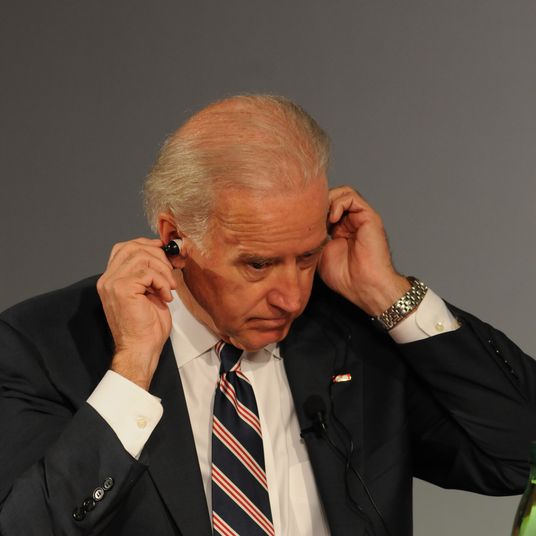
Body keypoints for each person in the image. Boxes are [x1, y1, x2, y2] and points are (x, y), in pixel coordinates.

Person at [0, 95, 534, 536]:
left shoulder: (348, 337)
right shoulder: (43, 347)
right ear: (174, 239)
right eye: (258, 264)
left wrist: (386, 294)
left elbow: (516, 458)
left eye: (306, 257)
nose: (292, 298)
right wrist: (132, 368)